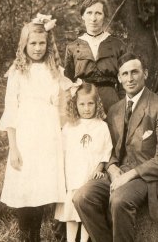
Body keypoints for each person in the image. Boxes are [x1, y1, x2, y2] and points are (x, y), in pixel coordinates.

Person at [73, 52, 158, 242]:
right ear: (119, 79)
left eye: (134, 72)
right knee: (82, 197)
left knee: (120, 200)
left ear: (145, 73)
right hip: (118, 173)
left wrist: (131, 175)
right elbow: (110, 148)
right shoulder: (115, 110)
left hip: (146, 177)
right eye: (125, 74)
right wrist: (112, 168)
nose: (130, 78)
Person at [0, 14, 66, 242]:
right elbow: (11, 110)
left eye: (42, 43)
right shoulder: (17, 72)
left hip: (48, 136)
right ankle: (25, 236)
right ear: (24, 44)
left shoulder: (55, 70)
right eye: (33, 43)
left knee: (40, 191)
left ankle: (36, 236)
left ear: (48, 45)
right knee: (24, 189)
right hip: (26, 136)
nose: (37, 48)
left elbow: (63, 105)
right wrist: (14, 148)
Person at [54, 82, 113, 242]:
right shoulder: (70, 127)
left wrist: (100, 168)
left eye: (90, 104)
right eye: (82, 104)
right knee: (71, 214)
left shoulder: (102, 126)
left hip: (89, 176)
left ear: (97, 104)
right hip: (73, 175)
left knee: (85, 212)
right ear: (76, 105)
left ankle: (84, 240)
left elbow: (105, 151)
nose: (86, 108)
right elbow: (63, 151)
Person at [64, 0, 126, 113]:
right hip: (84, 101)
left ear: (104, 16)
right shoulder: (72, 47)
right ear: (82, 16)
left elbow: (124, 80)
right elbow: (68, 80)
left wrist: (123, 105)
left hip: (111, 102)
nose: (93, 18)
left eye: (98, 13)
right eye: (89, 13)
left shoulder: (117, 45)